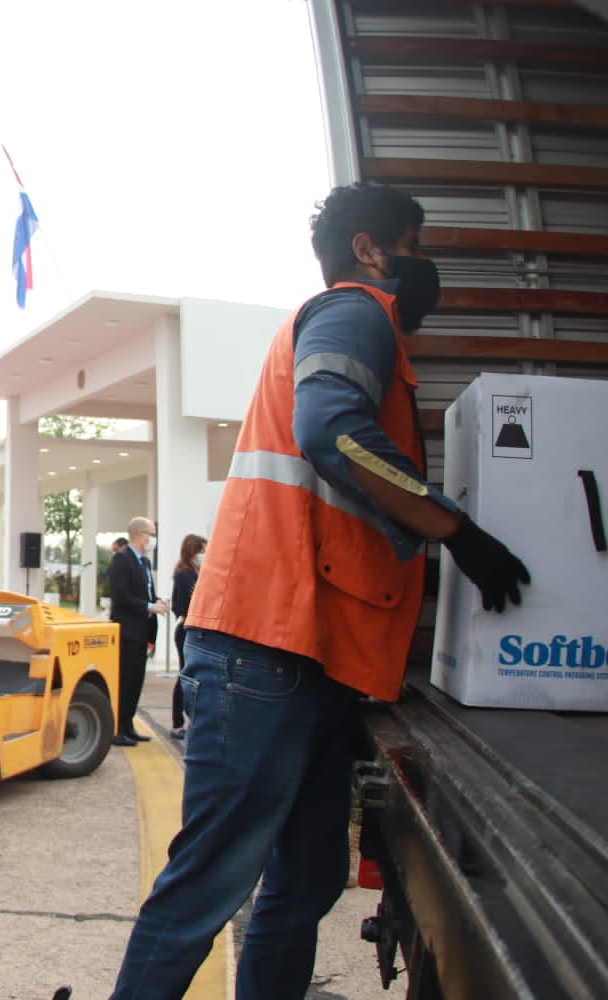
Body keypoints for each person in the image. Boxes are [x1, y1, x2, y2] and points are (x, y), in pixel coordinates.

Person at [109, 182, 530, 999]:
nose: (422, 264)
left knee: (306, 881)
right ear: (371, 250)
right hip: (268, 647)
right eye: (413, 244)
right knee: (211, 881)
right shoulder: (355, 311)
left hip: (312, 656)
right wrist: (455, 531)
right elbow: (331, 430)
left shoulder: (364, 328)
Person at [106, 517, 166, 747]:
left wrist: (157, 602)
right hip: (127, 631)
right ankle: (117, 728)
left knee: (136, 681)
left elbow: (145, 594)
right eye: (152, 534)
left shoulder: (145, 563)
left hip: (142, 631)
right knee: (125, 680)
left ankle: (129, 725)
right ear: (140, 534)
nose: (154, 539)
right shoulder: (122, 560)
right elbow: (120, 596)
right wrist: (149, 606)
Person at [167, 533, 206, 740]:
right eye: (202, 551)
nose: (205, 555)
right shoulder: (184, 576)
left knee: (192, 678)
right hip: (186, 630)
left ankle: (190, 720)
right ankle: (177, 723)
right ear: (193, 552)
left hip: (195, 630)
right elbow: (181, 605)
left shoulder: (198, 573)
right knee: (184, 677)